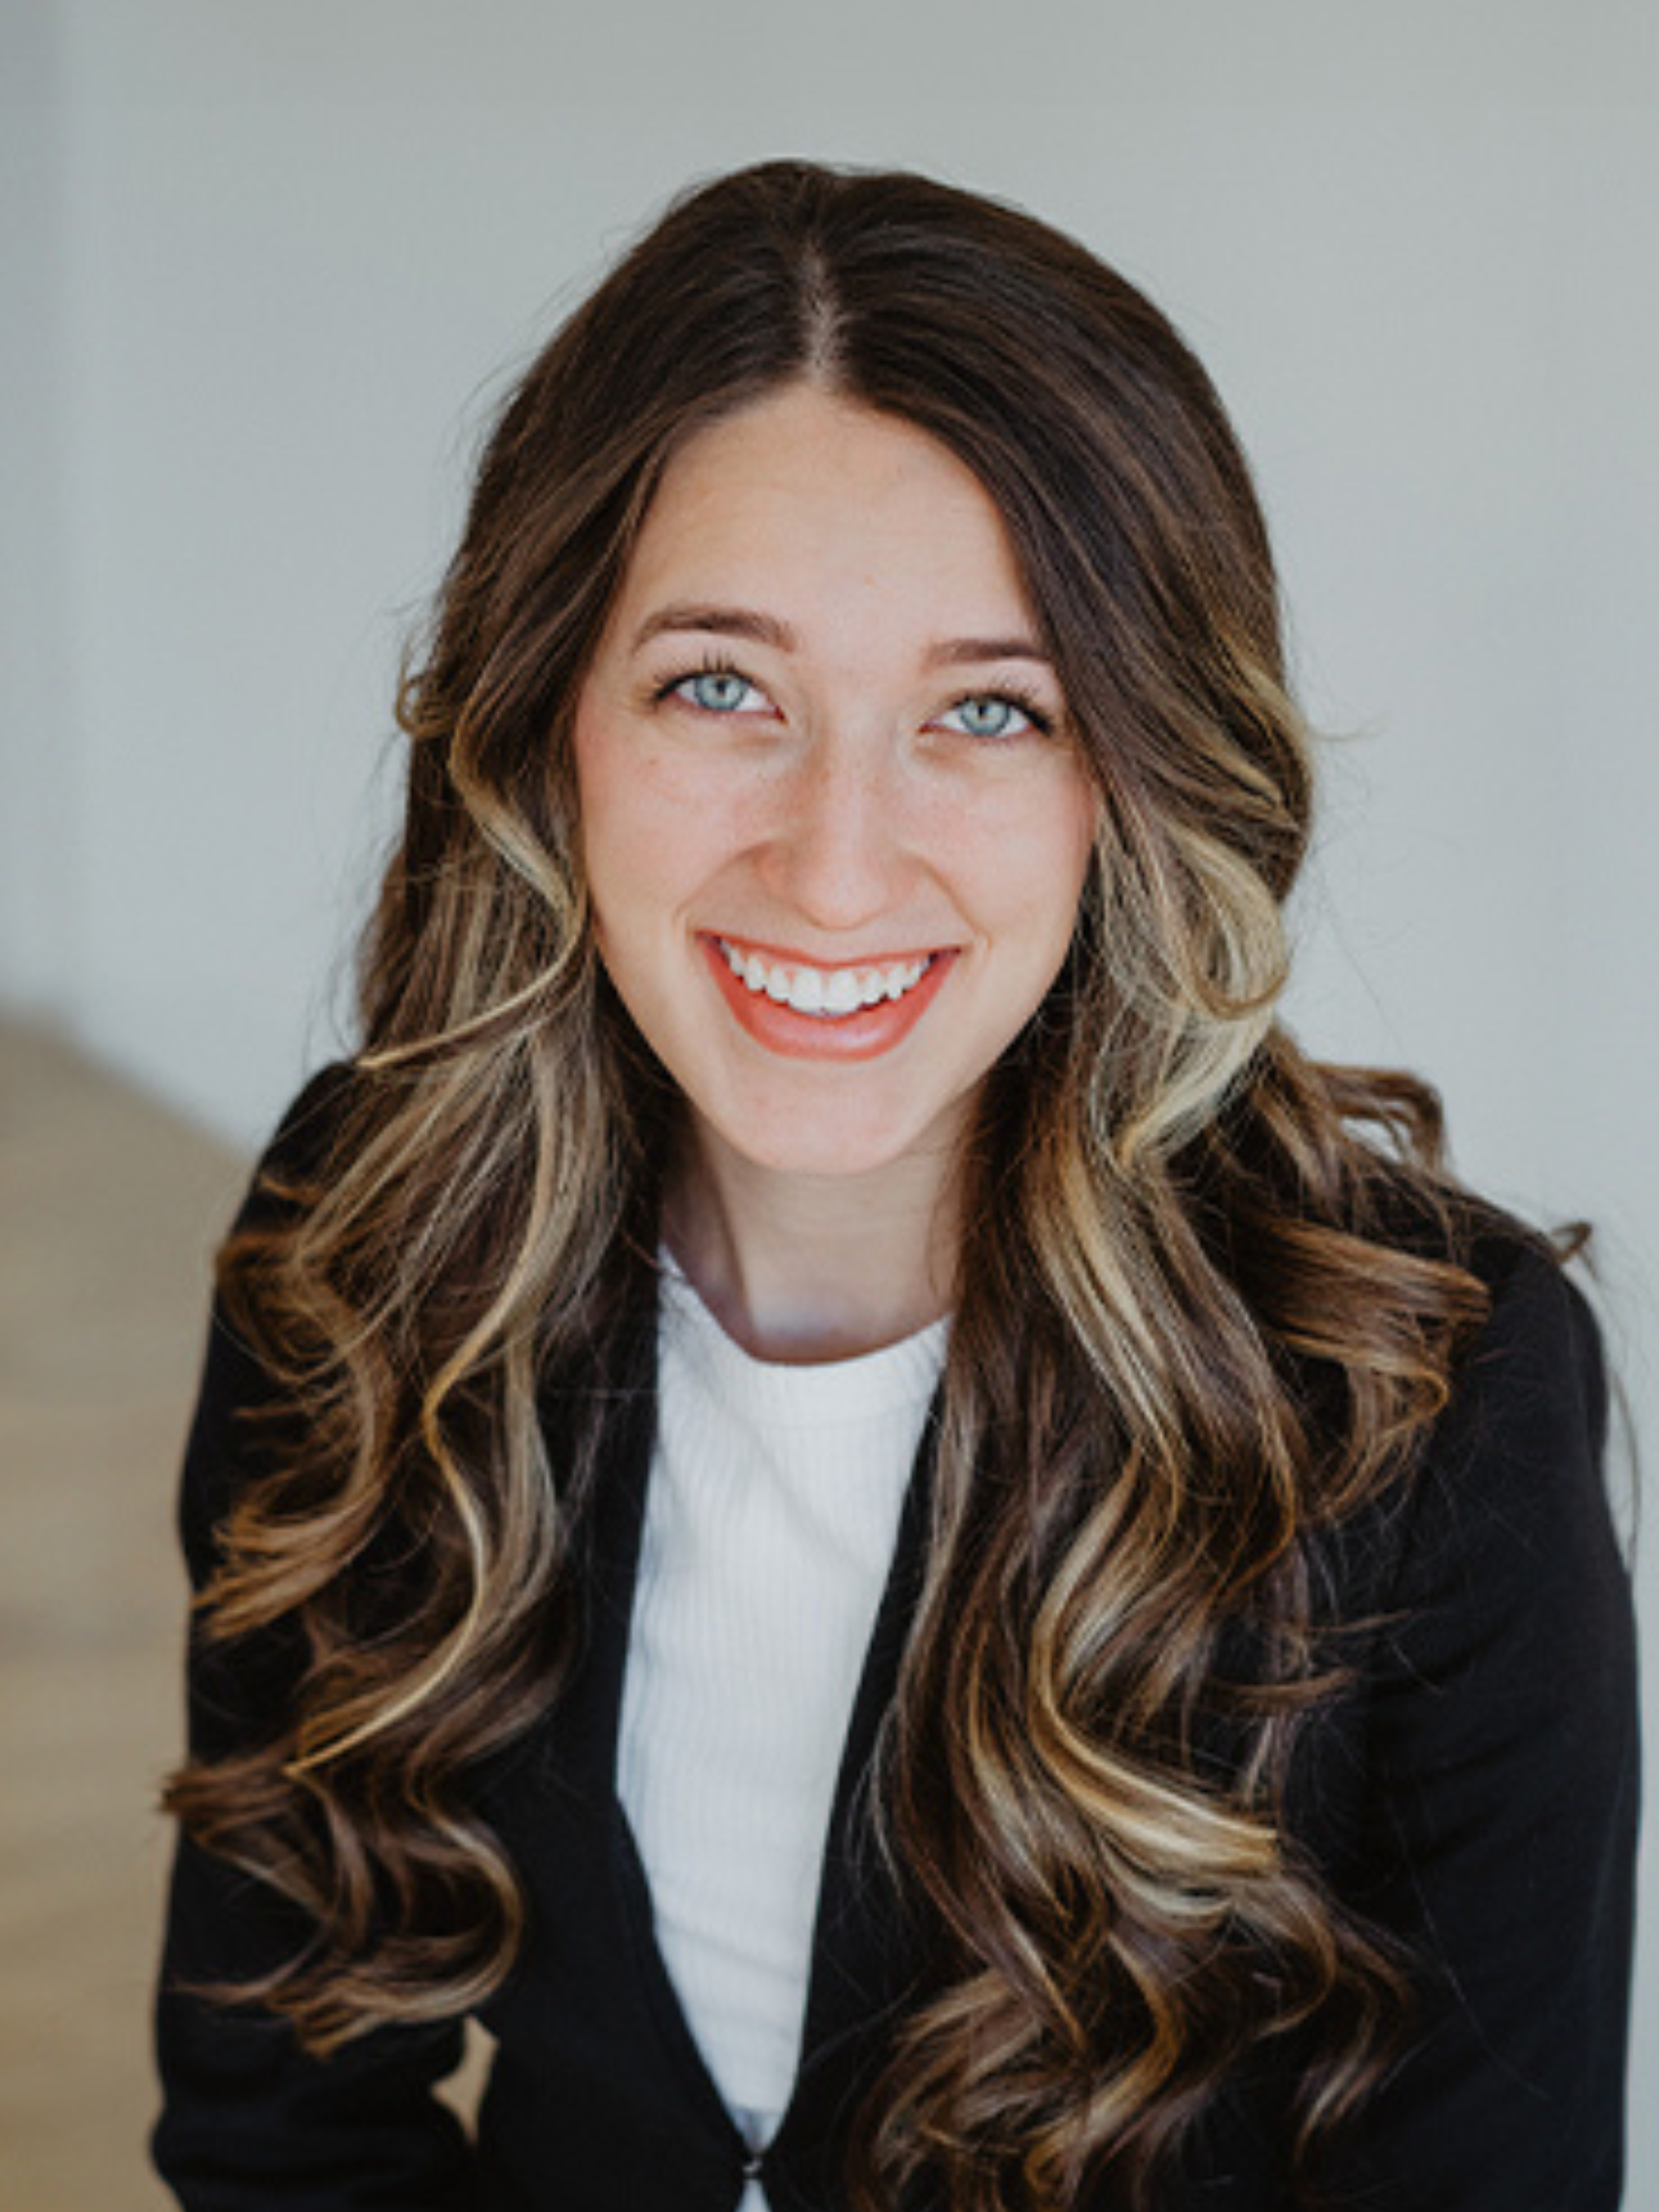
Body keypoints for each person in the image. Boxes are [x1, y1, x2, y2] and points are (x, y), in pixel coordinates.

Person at [150, 159, 1639, 2212]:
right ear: (548, 714)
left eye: (989, 710)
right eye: (722, 687)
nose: (839, 863)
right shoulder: (372, 1247)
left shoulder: (1430, 1404)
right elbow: (284, 2125)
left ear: (1133, 771)